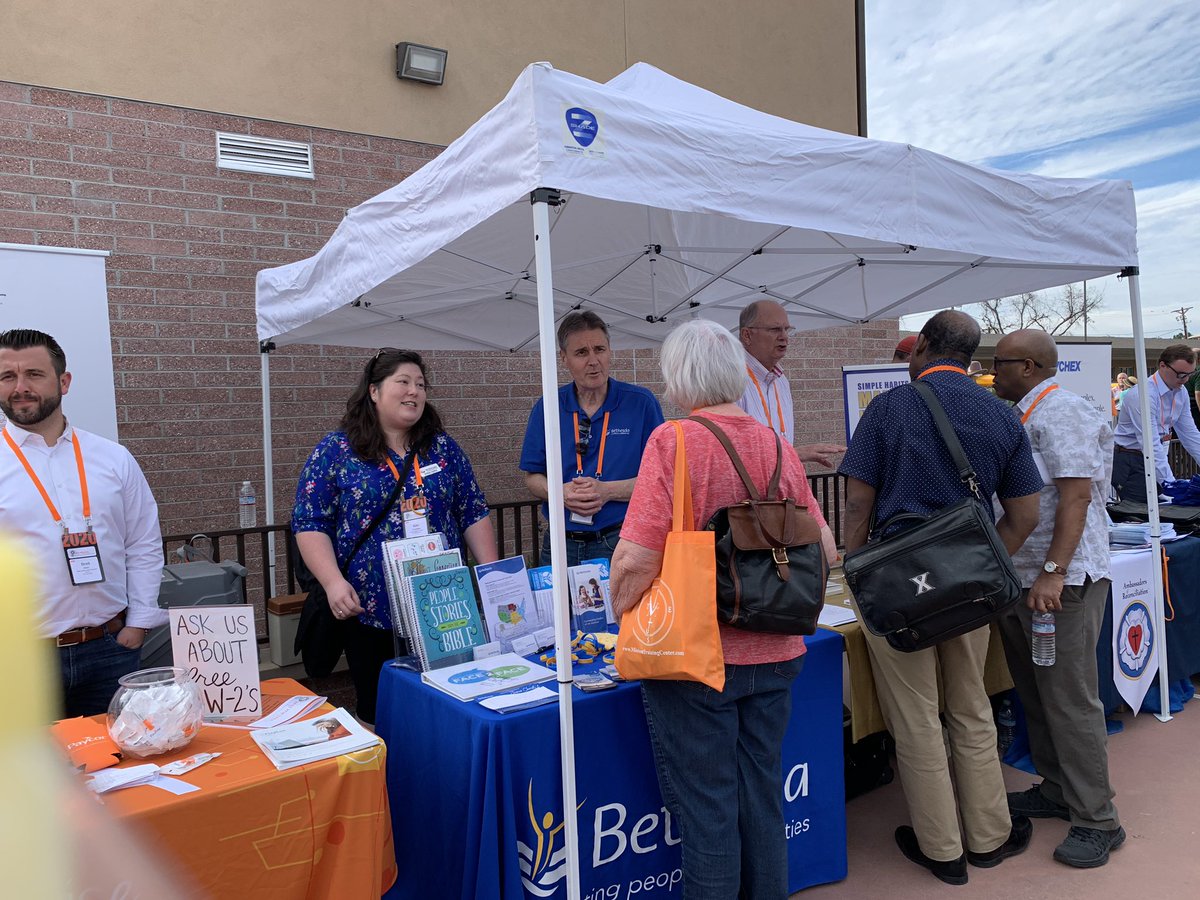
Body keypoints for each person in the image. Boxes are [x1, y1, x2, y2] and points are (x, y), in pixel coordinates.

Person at [610, 318, 838, 898]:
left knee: (709, 814)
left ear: (679, 379)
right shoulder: (778, 446)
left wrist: (621, 612)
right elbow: (827, 549)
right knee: (762, 799)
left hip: (700, 657)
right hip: (780, 647)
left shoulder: (674, 440)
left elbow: (635, 560)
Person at [839, 310, 1043, 886]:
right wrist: (981, 566)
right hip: (967, 588)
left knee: (917, 718)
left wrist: (855, 570)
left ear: (923, 347)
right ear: (971, 356)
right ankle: (990, 838)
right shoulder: (1001, 415)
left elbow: (857, 507)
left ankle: (942, 850)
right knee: (972, 709)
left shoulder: (887, 409)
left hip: (898, 584)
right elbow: (1025, 514)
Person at [293, 349, 498, 724]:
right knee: (380, 708)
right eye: (403, 382)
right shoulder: (336, 451)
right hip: (369, 608)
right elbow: (310, 522)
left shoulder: (442, 447)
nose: (414, 391)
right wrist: (333, 582)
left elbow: (472, 509)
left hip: (443, 606)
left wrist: (491, 577)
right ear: (374, 391)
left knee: (448, 704)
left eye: (420, 384)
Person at [991, 329, 1124, 868]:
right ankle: (1056, 788)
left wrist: (1052, 571)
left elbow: (1076, 497)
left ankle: (1098, 819)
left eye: (997, 362)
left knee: (1070, 701)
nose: (989, 371)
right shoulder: (1028, 412)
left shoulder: (1060, 411)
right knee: (1038, 694)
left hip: (1060, 584)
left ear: (1026, 366)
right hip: (1027, 581)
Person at [0, 329, 165, 717]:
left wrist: (138, 624)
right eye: (8, 377)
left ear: (64, 381)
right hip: (23, 661)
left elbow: (142, 542)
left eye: (34, 375)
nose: (20, 387)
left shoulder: (112, 458)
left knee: (123, 764)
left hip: (111, 650)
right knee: (37, 773)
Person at [519, 311, 664, 566]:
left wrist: (607, 491)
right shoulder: (548, 407)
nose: (594, 360)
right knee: (556, 608)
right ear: (564, 358)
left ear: (610, 351)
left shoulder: (640, 403)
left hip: (620, 539)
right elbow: (532, 476)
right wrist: (559, 493)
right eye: (581, 353)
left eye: (600, 349)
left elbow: (661, 477)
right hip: (559, 543)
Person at [735, 299, 845, 467]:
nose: (784, 337)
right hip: (749, 492)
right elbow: (729, 454)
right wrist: (794, 454)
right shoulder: (731, 381)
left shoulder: (781, 381)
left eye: (787, 329)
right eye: (774, 329)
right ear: (747, 335)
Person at [1111, 344, 1200, 503]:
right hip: (1129, 459)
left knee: (1168, 514)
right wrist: (1170, 484)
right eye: (1180, 374)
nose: (1185, 380)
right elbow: (1149, 444)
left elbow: (1190, 434)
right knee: (1144, 516)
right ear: (1162, 366)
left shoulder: (1182, 392)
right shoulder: (1143, 395)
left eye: (1189, 374)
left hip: (1155, 455)